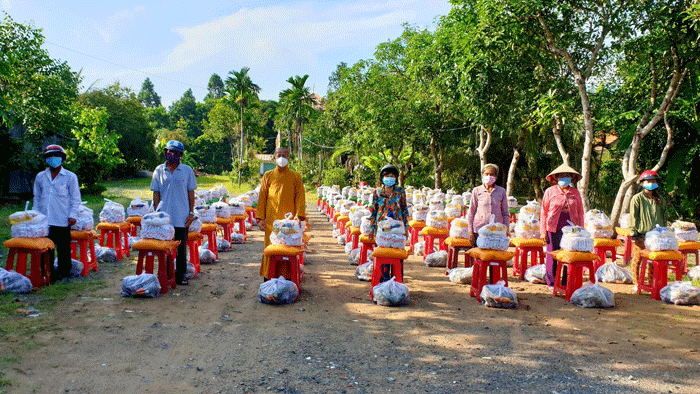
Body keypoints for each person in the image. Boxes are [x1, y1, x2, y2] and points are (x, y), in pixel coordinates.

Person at [151, 140, 197, 285]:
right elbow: (156, 193)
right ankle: (166, 274)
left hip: (182, 216)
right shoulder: (159, 170)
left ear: (181, 155)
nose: (172, 155)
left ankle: (181, 275)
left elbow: (191, 192)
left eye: (176, 153)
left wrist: (191, 212)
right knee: (165, 248)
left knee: (181, 247)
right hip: (164, 218)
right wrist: (157, 214)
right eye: (170, 152)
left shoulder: (187, 170)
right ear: (165, 153)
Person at [33, 145, 82, 282]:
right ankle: (47, 272)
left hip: (62, 219)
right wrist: (35, 216)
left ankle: (64, 273)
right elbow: (36, 197)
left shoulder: (70, 177)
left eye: (56, 156)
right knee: (46, 248)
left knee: (63, 248)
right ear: (46, 159)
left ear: (62, 159)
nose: (53, 159)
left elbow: (75, 198)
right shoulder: (40, 177)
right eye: (50, 156)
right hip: (44, 220)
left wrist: (73, 215)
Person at [257, 147, 306, 279]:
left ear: (289, 158)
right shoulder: (268, 175)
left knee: (288, 246)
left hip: (289, 221)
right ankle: (268, 275)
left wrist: (299, 216)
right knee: (271, 247)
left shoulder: (296, 176)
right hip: (271, 220)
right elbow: (262, 198)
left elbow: (300, 197)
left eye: (285, 155)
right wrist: (261, 218)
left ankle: (287, 276)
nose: (282, 158)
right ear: (274, 157)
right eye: (279, 155)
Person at [540, 163, 585, 288]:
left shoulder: (575, 192)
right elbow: (544, 212)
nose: (564, 178)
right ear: (557, 178)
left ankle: (566, 281)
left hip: (571, 229)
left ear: (571, 178)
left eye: (567, 176)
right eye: (562, 176)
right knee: (552, 254)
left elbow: (580, 212)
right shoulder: (550, 192)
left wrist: (581, 229)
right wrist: (543, 231)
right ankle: (552, 282)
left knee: (568, 254)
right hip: (553, 227)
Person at [628, 170, 668, 284]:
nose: (651, 183)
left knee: (653, 260)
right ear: (642, 183)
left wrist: (664, 232)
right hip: (640, 235)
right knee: (637, 260)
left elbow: (664, 216)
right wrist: (634, 234)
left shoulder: (660, 199)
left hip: (656, 236)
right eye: (648, 181)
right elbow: (633, 217)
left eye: (653, 181)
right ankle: (637, 284)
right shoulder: (637, 199)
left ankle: (651, 283)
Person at [467, 163, 509, 245]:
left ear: (496, 177)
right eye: (486, 174)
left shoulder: (501, 191)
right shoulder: (477, 191)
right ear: (482, 175)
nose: (489, 176)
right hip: (479, 230)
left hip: (496, 231)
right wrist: (470, 231)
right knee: (478, 255)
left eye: (492, 174)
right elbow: (471, 212)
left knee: (494, 256)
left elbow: (505, 213)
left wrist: (506, 230)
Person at [367, 164, 409, 239]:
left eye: (392, 176)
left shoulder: (400, 191)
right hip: (381, 227)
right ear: (382, 178)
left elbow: (404, 209)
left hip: (397, 226)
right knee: (382, 249)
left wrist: (406, 227)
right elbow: (374, 211)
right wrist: (371, 228)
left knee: (396, 248)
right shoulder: (377, 192)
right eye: (387, 176)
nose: (389, 178)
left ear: (396, 178)